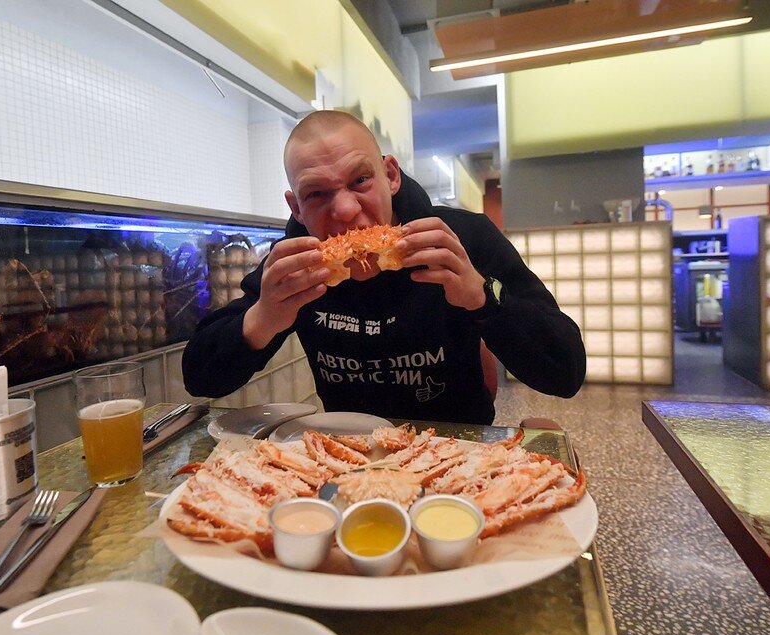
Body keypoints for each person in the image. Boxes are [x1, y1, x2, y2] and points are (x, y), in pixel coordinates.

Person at [182, 111, 585, 424]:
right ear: (296, 208)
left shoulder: (463, 238)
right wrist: (263, 318)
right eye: (317, 194)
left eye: (359, 180)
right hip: (346, 454)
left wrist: (483, 297)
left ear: (389, 175)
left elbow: (565, 373)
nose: (344, 210)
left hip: (459, 452)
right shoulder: (295, 266)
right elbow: (200, 378)